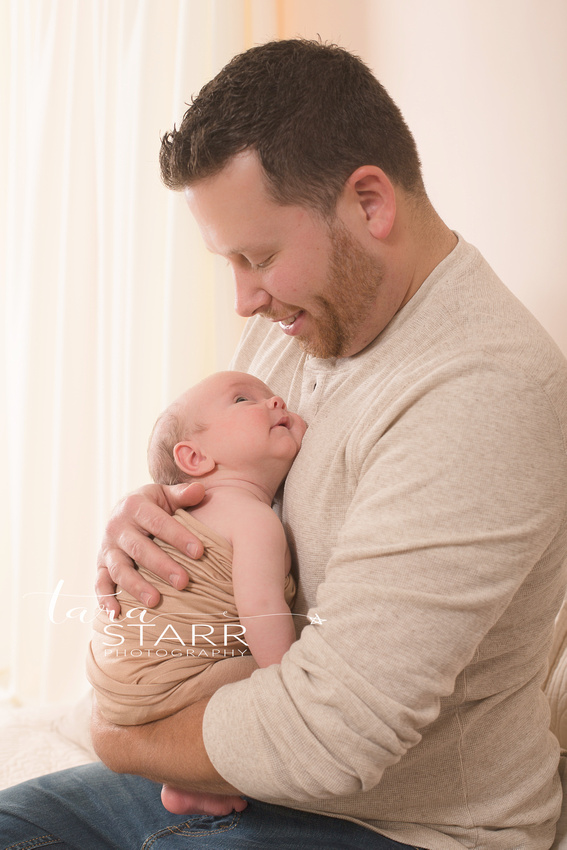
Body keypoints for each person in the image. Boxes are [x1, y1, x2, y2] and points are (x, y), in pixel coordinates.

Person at [1, 37, 567, 850]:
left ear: (368, 203)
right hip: (253, 783)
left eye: (258, 256)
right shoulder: (299, 324)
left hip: (405, 826)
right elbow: (228, 483)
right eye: (229, 260)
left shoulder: (485, 393)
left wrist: (118, 733)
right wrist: (159, 509)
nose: (242, 298)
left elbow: (332, 739)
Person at [86, 370, 304, 726]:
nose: (276, 401)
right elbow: (262, 609)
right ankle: (194, 779)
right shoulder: (251, 517)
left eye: (274, 398)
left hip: (109, 670)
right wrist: (293, 694)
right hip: (164, 680)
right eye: (243, 399)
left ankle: (183, 780)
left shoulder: (180, 515)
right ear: (194, 458)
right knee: (272, 673)